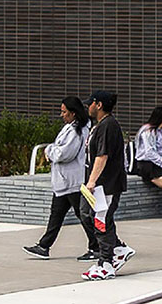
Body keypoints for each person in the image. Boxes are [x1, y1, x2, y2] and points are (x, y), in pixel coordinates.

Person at [22, 96, 99, 262]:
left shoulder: (77, 131)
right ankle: (44, 246)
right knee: (57, 215)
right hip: (64, 182)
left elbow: (64, 154)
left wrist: (50, 150)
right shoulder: (72, 128)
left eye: (64, 112)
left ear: (73, 113)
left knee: (84, 215)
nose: (61, 115)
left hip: (73, 182)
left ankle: (98, 246)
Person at [80, 90, 135, 281]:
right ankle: (118, 248)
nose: (88, 107)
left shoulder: (108, 126)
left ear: (99, 105)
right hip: (100, 185)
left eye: (91, 104)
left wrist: (92, 181)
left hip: (106, 185)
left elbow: (102, 156)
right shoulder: (101, 125)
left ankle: (106, 264)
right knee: (92, 216)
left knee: (100, 220)